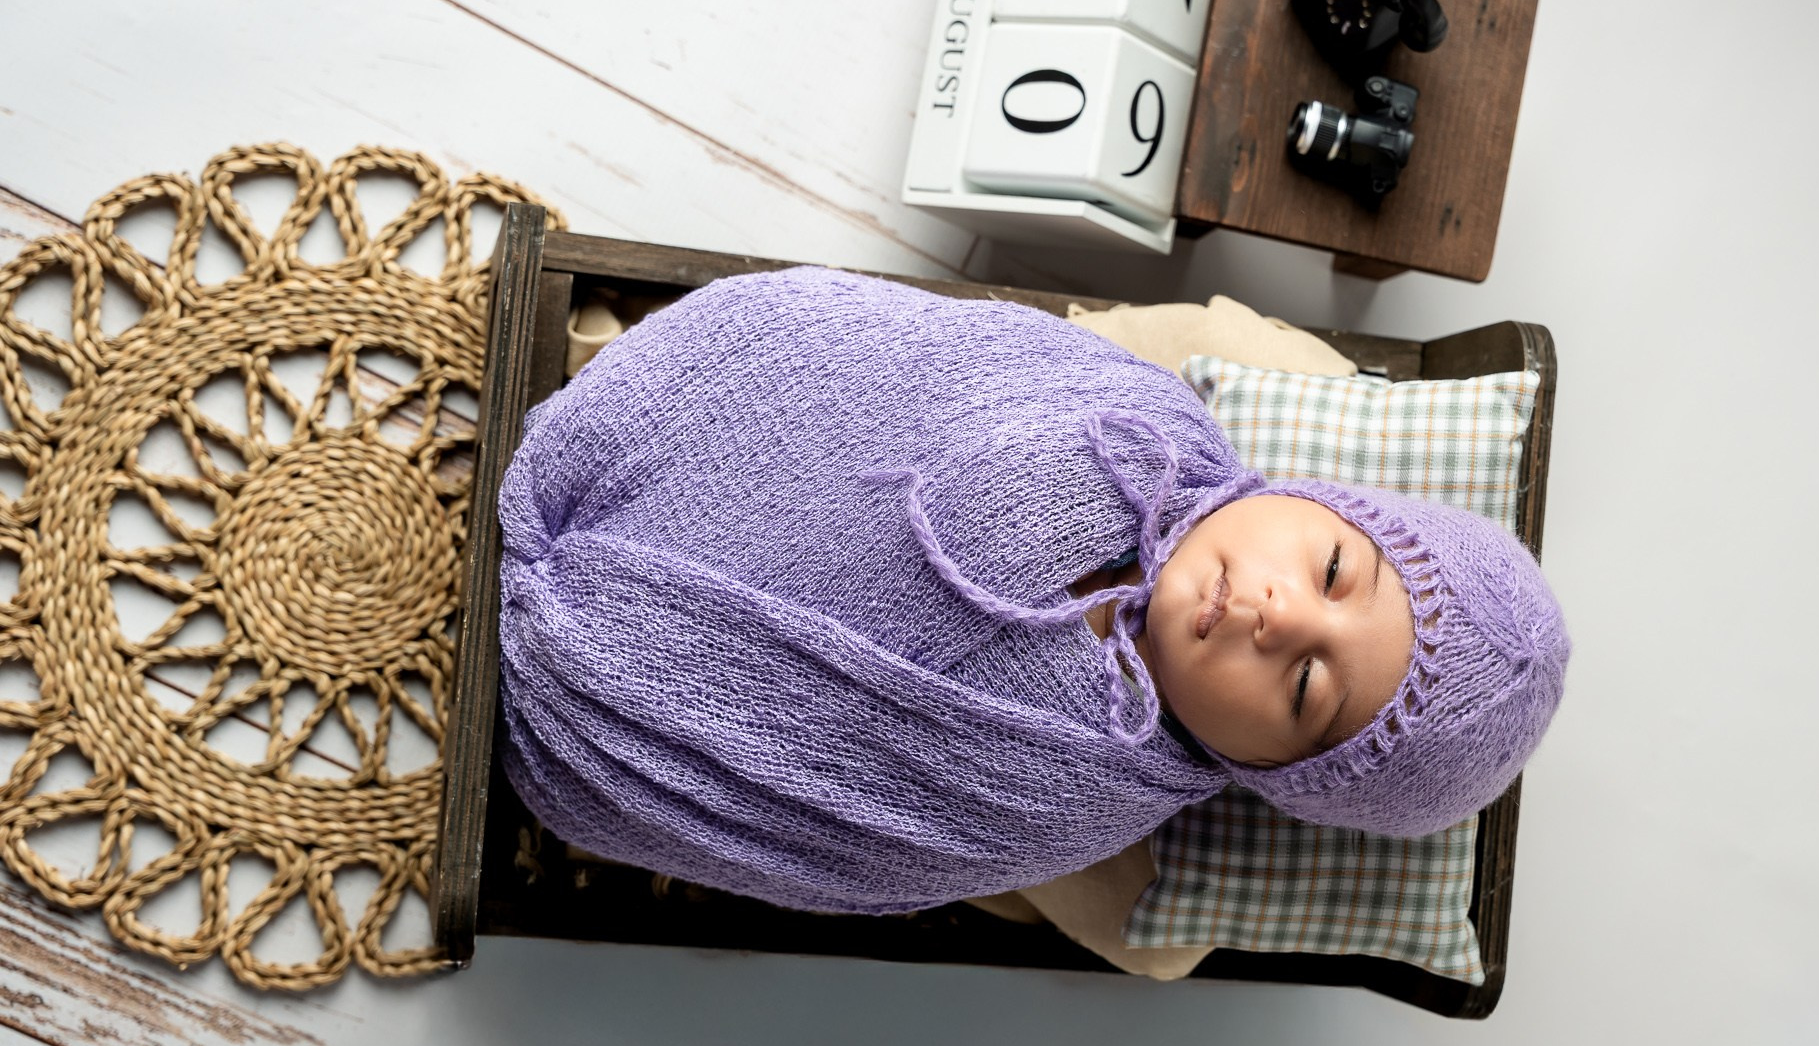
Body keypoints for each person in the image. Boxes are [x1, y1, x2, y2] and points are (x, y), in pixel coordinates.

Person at [496, 267, 1568, 914]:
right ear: (1317, 502)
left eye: (1302, 692)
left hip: (602, 694)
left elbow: (851, 823)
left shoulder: (1071, 791)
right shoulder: (1133, 424)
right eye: (1331, 569)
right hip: (669, 431)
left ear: (1260, 770)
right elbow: (890, 358)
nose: (1279, 615)